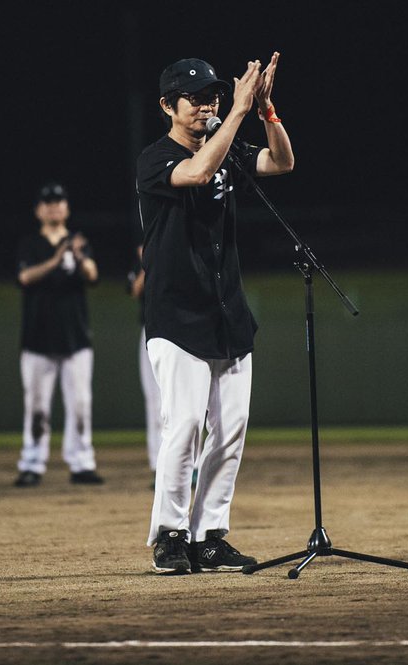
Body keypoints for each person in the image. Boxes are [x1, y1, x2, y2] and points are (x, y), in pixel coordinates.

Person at [137, 52, 294, 574]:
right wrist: (237, 114)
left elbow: (282, 163)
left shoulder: (227, 145)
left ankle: (209, 536)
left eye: (214, 96)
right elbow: (199, 172)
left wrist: (266, 111)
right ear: (167, 106)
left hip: (227, 315)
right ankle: (170, 536)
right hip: (176, 317)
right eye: (195, 98)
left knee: (230, 430)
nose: (207, 105)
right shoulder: (155, 158)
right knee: (183, 427)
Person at [13, 182, 102, 487]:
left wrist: (76, 255)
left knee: (80, 404)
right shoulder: (30, 244)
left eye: (58, 201)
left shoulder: (77, 243)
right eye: (47, 202)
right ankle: (32, 463)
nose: (53, 207)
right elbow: (24, 276)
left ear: (66, 208)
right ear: (38, 210)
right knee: (36, 408)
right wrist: (55, 258)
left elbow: (93, 275)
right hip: (37, 339)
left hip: (76, 338)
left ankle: (82, 463)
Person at [127, 245, 161, 484]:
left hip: (186, 326)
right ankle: (160, 466)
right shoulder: (145, 255)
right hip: (151, 328)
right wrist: (149, 260)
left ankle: (195, 466)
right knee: (154, 401)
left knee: (192, 403)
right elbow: (136, 290)